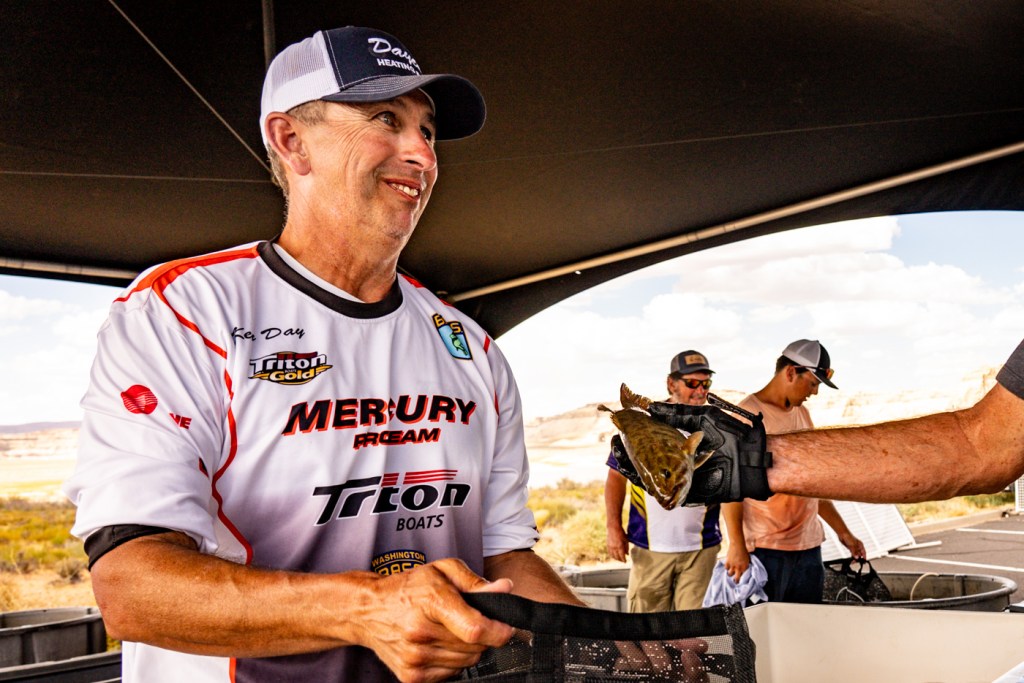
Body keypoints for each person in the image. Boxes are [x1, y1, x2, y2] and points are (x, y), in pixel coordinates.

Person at [63, 26, 582, 683]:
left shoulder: (469, 346)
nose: (422, 153)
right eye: (386, 120)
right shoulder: (184, 310)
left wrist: (616, 646)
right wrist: (366, 609)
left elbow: (505, 555)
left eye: (427, 131)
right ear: (290, 140)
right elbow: (131, 588)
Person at [720, 340, 865, 603]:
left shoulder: (803, 415)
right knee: (766, 625)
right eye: (813, 383)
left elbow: (811, 486)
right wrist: (737, 546)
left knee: (804, 623)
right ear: (790, 372)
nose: (815, 392)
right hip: (766, 550)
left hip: (809, 548)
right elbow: (731, 488)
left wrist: (844, 533)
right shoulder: (746, 416)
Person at [604, 350, 723, 611]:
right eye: (692, 383)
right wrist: (613, 527)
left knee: (694, 629)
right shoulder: (646, 423)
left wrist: (738, 542)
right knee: (647, 629)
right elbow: (615, 477)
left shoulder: (716, 427)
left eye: (706, 383)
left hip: (702, 548)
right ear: (671, 383)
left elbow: (731, 486)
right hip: (649, 548)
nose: (700, 390)